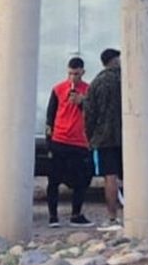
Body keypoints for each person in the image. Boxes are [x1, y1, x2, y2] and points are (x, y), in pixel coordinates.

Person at [45, 58, 94, 227]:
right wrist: (48, 141)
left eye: (77, 74)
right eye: (71, 73)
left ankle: (76, 214)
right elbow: (50, 116)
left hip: (79, 142)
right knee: (53, 180)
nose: (73, 77)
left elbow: (92, 113)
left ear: (82, 72)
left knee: (81, 180)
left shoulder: (88, 91)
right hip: (60, 140)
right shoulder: (58, 89)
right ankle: (53, 216)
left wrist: (82, 103)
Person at [84, 48, 123, 231]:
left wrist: (91, 136)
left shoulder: (97, 83)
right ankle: (137, 213)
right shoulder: (129, 79)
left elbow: (89, 113)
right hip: (129, 136)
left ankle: (112, 218)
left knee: (110, 177)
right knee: (133, 176)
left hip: (105, 137)